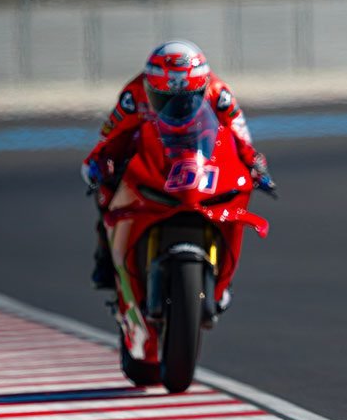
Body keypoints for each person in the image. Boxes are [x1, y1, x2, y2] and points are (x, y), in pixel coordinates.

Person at [81, 40, 274, 289]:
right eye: (164, 99)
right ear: (150, 87)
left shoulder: (219, 93)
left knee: (238, 189)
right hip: (151, 151)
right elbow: (111, 135)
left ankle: (222, 278)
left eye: (188, 99)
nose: (178, 107)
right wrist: (97, 163)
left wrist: (256, 164)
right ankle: (106, 258)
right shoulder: (133, 95)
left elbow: (241, 136)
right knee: (105, 193)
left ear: (202, 88)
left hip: (200, 154)